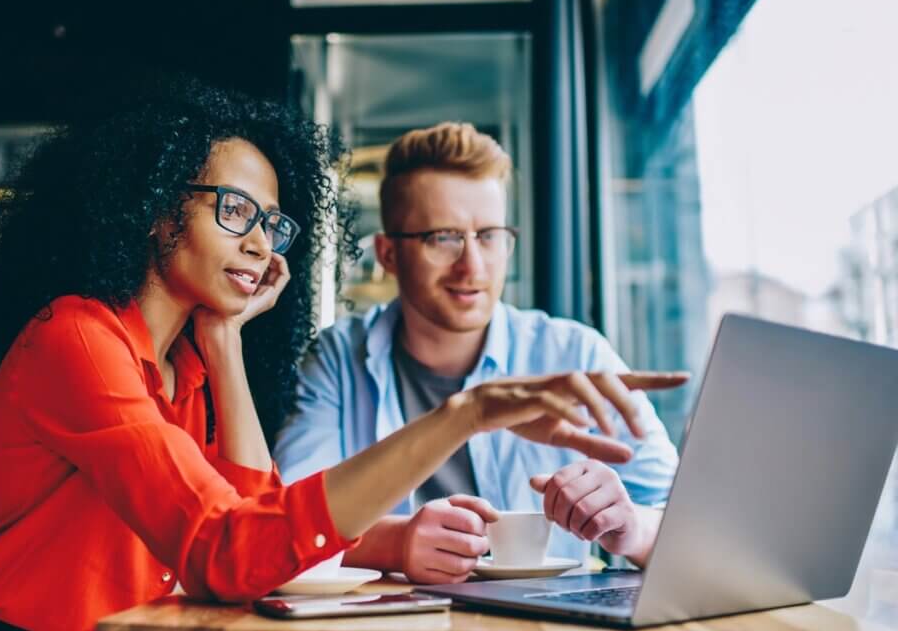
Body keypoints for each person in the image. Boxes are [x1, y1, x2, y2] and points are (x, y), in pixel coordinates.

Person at [0, 82, 684, 631]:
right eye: (233, 211)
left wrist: (227, 342)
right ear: (157, 209)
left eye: (272, 223)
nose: (261, 245)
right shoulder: (77, 336)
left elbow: (255, 528)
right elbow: (229, 549)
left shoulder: (190, 371)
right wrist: (464, 414)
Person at [274, 122, 683, 585]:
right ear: (388, 254)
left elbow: (689, 523)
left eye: (489, 235)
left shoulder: (574, 353)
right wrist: (397, 542)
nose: (473, 265)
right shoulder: (337, 358)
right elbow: (284, 523)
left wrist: (631, 528)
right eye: (443, 237)